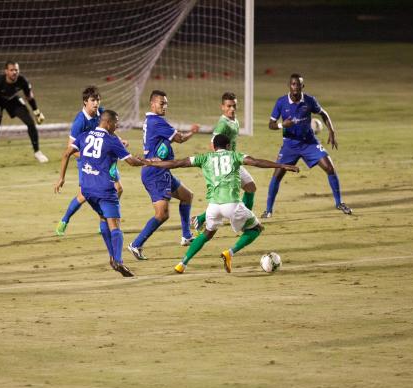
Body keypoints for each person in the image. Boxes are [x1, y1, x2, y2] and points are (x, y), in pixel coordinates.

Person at [145, 134, 299, 274]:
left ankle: (182, 263)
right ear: (228, 146)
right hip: (231, 205)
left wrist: (152, 163)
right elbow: (256, 162)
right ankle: (229, 253)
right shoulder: (234, 156)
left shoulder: (204, 158)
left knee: (207, 234)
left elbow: (177, 163)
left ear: (214, 147)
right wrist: (282, 166)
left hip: (213, 207)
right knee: (257, 229)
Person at [54, 110, 144, 277]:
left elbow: (66, 153)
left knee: (103, 218)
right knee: (115, 225)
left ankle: (112, 257)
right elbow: (131, 162)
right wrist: (146, 161)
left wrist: (61, 178)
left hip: (87, 189)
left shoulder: (84, 136)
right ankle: (118, 260)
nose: (117, 126)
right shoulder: (112, 140)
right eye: (116, 123)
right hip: (104, 189)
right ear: (108, 123)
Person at [262, 73, 351, 218]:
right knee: (277, 174)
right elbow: (270, 124)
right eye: (293, 84)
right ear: (289, 86)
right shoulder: (281, 102)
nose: (296, 87)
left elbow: (323, 113)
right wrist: (281, 125)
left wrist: (332, 131)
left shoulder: (309, 101)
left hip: (309, 142)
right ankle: (268, 210)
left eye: (298, 84)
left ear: (303, 86)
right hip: (290, 145)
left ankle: (339, 202)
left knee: (330, 168)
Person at [127, 90, 199, 261]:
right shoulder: (156, 121)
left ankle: (186, 236)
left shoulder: (151, 120)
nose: (165, 106)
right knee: (162, 215)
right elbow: (179, 138)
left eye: (166, 103)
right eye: (161, 103)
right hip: (155, 173)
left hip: (161, 170)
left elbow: (170, 138)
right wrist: (192, 132)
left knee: (187, 196)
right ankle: (136, 244)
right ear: (152, 104)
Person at [55, 86, 127, 236]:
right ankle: (65, 220)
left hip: (105, 162)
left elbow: (109, 130)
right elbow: (70, 149)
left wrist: (119, 141)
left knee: (118, 189)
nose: (96, 104)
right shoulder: (79, 122)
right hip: (87, 162)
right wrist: (91, 156)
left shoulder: (101, 113)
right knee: (84, 195)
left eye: (98, 100)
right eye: (93, 100)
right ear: (85, 102)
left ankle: (104, 220)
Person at [191, 92, 256, 231]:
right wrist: (219, 163)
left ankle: (201, 218)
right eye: (228, 106)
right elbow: (212, 142)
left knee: (250, 187)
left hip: (233, 161)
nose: (232, 109)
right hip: (226, 163)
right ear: (222, 107)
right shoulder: (223, 124)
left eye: (234, 106)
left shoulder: (235, 121)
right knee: (233, 196)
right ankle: (245, 222)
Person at [0, 60, 48, 167]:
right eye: (11, 70)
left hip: (12, 100)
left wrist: (37, 112)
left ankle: (37, 152)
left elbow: (29, 97)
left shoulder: (22, 81)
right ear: (6, 71)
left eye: (16, 70)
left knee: (30, 122)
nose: (14, 72)